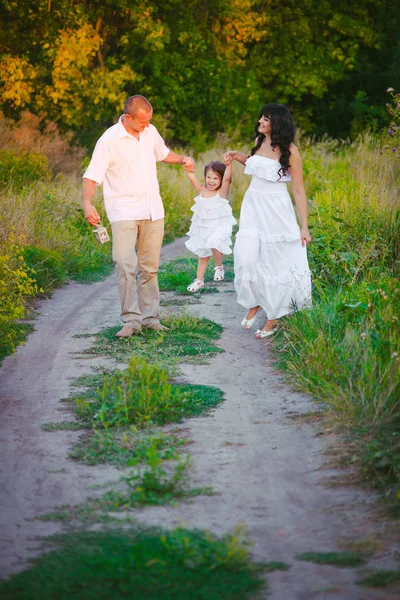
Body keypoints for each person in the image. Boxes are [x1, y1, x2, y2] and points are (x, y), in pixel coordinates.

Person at [82, 95, 195, 337]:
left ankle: (151, 318)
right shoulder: (109, 140)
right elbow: (92, 175)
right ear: (128, 117)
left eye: (149, 121)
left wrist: (182, 160)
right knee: (124, 263)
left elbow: (163, 153)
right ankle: (131, 321)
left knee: (149, 267)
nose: (147, 125)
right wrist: (87, 203)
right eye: (142, 122)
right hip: (123, 210)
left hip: (153, 210)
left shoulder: (150, 131)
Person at [224, 103, 311, 339]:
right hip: (253, 206)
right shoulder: (258, 142)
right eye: (261, 117)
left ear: (278, 123)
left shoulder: (290, 151)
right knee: (249, 257)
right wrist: (236, 155)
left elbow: (299, 190)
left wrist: (304, 225)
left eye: (266, 119)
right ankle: (256, 302)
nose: (260, 121)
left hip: (276, 208)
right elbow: (256, 164)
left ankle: (273, 318)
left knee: (275, 261)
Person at [185, 160, 236, 292]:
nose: (211, 181)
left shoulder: (221, 193)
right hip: (204, 227)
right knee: (203, 255)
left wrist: (229, 165)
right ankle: (199, 281)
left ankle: (219, 267)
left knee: (215, 243)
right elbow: (193, 181)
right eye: (208, 177)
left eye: (215, 178)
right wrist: (190, 171)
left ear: (221, 179)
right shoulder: (202, 190)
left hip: (219, 227)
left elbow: (227, 179)